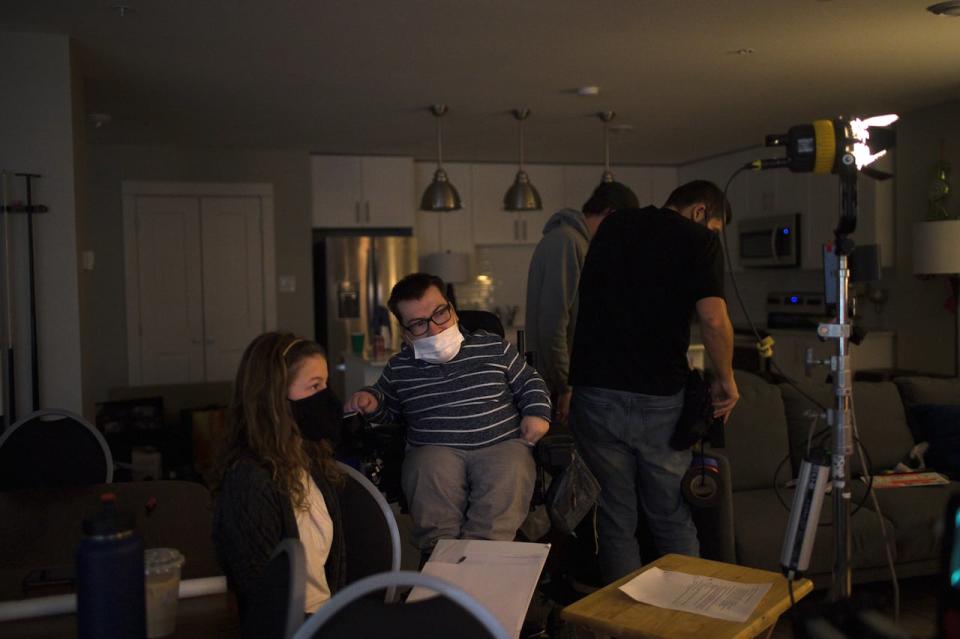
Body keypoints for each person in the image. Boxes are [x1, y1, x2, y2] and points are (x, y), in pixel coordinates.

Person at [568, 179, 739, 584]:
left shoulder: (613, 226)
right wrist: (727, 379)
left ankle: (624, 625)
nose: (712, 235)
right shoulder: (700, 240)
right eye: (714, 226)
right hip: (658, 395)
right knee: (669, 514)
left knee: (613, 517)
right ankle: (688, 621)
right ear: (701, 211)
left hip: (595, 391)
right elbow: (714, 320)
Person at [345, 272, 552, 555]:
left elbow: (530, 381)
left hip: (501, 443)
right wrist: (371, 402)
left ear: (451, 310)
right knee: (427, 470)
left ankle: (483, 553)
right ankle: (443, 555)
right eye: (418, 324)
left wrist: (537, 413)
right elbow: (387, 412)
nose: (434, 329)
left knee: (510, 471)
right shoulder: (400, 367)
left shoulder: (494, 347)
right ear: (406, 333)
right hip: (435, 448)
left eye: (439, 314)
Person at [213, 332, 347, 616]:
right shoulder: (250, 482)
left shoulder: (309, 459)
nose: (325, 397)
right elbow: (262, 596)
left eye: (326, 384)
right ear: (274, 397)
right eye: (314, 386)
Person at [525, 181, 638, 428]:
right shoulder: (568, 241)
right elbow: (553, 322)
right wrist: (566, 386)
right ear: (611, 213)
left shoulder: (573, 240)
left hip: (560, 382)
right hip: (555, 386)